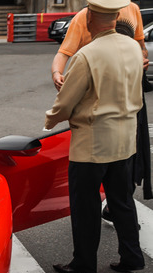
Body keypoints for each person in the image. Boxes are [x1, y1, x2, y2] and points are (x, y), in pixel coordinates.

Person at [45, 0, 145, 273]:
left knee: (85, 203)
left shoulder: (87, 55)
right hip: (125, 138)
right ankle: (131, 256)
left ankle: (84, 262)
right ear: (115, 18)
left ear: (89, 17)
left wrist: (50, 119)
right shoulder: (134, 49)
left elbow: (66, 102)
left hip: (93, 141)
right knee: (122, 200)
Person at [51, 1, 152, 211]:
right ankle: (117, 207)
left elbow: (140, 45)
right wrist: (56, 73)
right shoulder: (84, 16)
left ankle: (117, 206)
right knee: (106, 156)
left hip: (128, 88)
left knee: (129, 157)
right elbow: (64, 52)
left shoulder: (132, 9)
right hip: (98, 89)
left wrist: (143, 58)